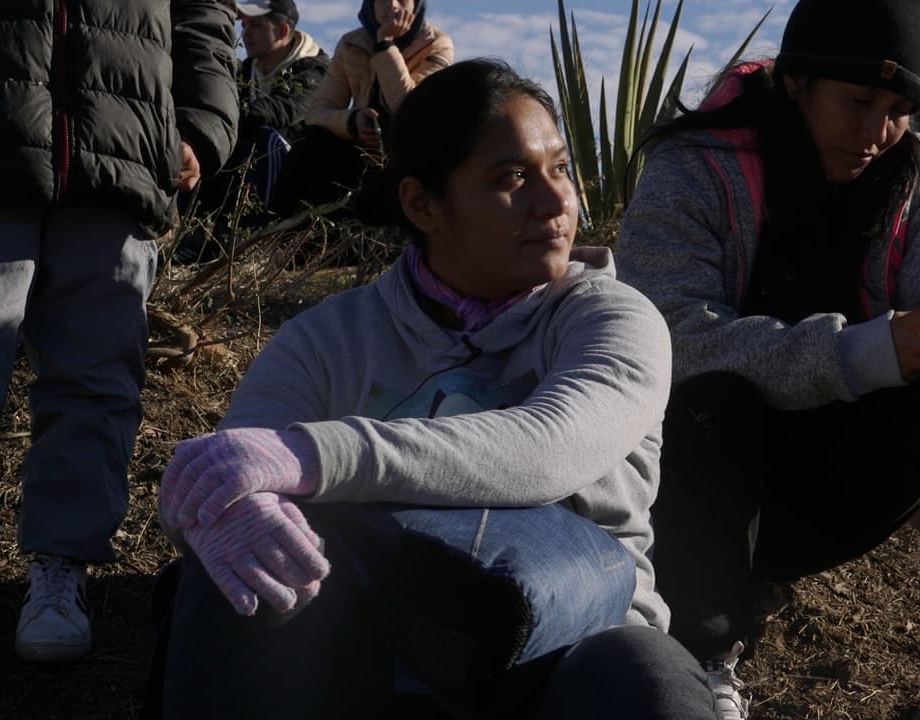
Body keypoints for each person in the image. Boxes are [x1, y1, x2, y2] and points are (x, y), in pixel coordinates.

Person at [145, 58, 723, 719]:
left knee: (651, 680)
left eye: (559, 168)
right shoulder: (328, 337)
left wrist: (311, 457)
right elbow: (222, 472)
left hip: (572, 655)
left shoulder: (615, 319)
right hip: (378, 651)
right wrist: (219, 508)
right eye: (511, 178)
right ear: (423, 204)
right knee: (249, 565)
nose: (556, 201)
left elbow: (551, 445)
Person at [617, 1, 920, 719]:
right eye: (856, 101)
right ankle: (700, 663)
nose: (875, 133)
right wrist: (859, 352)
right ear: (795, 83)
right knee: (710, 397)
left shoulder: (905, 175)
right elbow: (672, 339)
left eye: (896, 109)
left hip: (831, 483)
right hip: (697, 505)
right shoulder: (694, 170)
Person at [0, 0, 238, 680]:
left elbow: (204, 13)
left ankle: (63, 569)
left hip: (122, 158)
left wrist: (200, 128)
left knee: (97, 383)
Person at [174, 0, 330, 264]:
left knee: (264, 139)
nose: (245, 33)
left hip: (297, 179)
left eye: (256, 25)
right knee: (207, 139)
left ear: (282, 31)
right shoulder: (246, 71)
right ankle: (195, 239)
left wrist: (226, 115)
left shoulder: (316, 69)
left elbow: (281, 112)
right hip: (248, 164)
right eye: (244, 25)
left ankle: (248, 242)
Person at [267, 0, 453, 219]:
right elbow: (317, 113)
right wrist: (352, 122)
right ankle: (272, 231)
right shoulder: (351, 43)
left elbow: (410, 109)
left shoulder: (437, 44)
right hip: (358, 145)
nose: (392, 5)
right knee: (311, 142)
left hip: (404, 153)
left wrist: (384, 44)